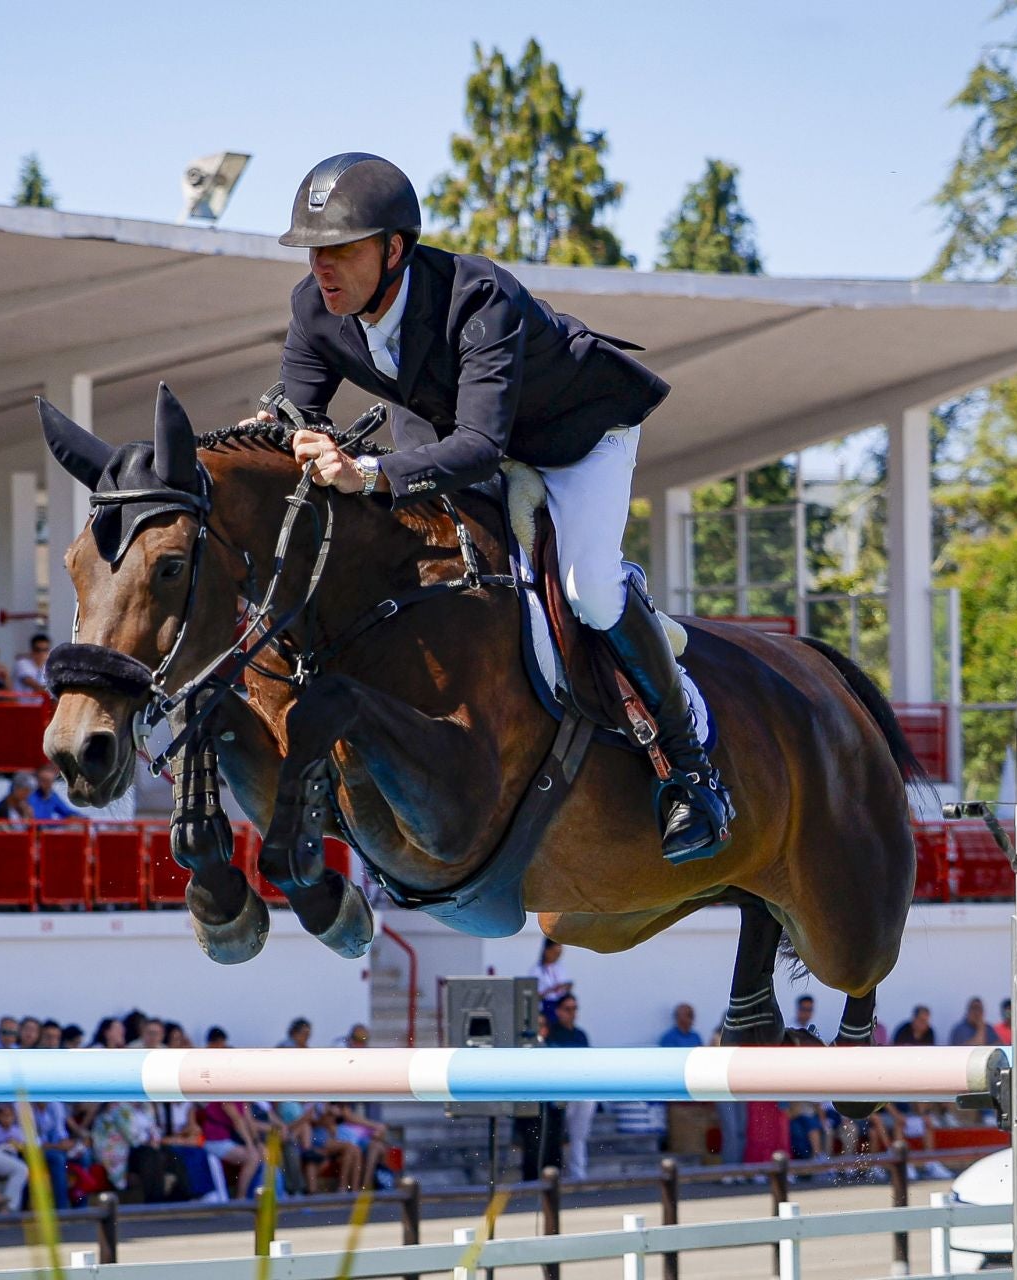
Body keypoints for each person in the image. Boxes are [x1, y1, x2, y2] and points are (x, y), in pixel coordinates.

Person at [269, 152, 729, 863]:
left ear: (395, 249)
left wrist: (366, 471)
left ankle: (690, 768)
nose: (321, 269)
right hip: (445, 433)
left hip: (574, 436)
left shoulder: (477, 296)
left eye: (340, 251)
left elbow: (482, 446)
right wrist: (294, 444)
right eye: (313, 252)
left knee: (588, 588)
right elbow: (292, 420)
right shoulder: (315, 311)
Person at [546, 994, 596, 1180]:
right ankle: (556, 1173)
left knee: (579, 1135)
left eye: (574, 1009)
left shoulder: (580, 1034)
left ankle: (578, 1173)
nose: (572, 1013)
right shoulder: (553, 1034)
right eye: (568, 1009)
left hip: (580, 1087)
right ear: (559, 1011)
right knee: (558, 1131)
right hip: (561, 1089)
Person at [532, 937, 573, 1022]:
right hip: (546, 1007)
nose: (557, 957)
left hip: (560, 1006)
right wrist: (551, 990)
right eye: (555, 953)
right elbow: (534, 995)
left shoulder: (560, 968)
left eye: (559, 954)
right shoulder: (536, 971)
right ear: (547, 951)